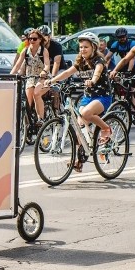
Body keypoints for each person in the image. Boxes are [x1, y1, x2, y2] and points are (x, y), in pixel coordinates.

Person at [47, 32, 113, 171]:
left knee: (86, 113)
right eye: (81, 47)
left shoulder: (98, 61)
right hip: (88, 97)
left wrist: (93, 80)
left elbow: (97, 72)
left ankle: (106, 128)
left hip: (102, 97)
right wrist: (51, 80)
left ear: (93, 48)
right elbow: (67, 73)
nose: (82, 50)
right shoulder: (80, 62)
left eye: (86, 47)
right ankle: (79, 160)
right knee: (79, 130)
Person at [10, 28, 50, 122]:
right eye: (30, 38)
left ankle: (41, 119)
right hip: (30, 78)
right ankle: (28, 125)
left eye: (34, 39)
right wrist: (10, 76)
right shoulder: (25, 51)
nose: (32, 40)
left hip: (42, 78)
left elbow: (47, 65)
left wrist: (44, 71)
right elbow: (17, 65)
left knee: (36, 93)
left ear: (40, 39)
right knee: (28, 103)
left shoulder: (44, 51)